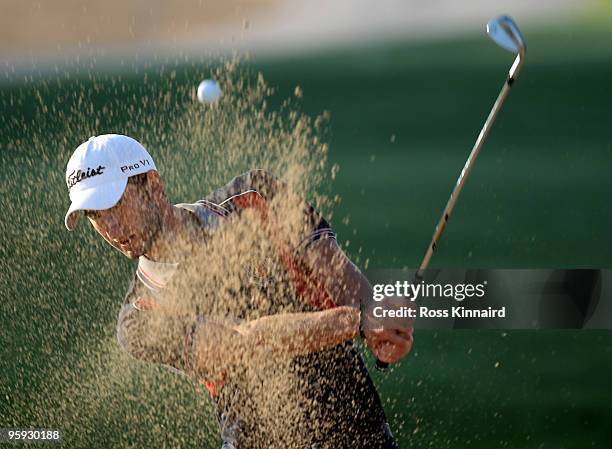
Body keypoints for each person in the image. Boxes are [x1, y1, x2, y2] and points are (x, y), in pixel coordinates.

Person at [64, 134, 413, 448]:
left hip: (354, 427)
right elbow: (246, 342)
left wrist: (378, 315)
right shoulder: (139, 319)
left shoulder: (254, 196)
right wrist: (358, 321)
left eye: (116, 205)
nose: (109, 227)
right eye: (95, 216)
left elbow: (335, 271)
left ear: (153, 184)